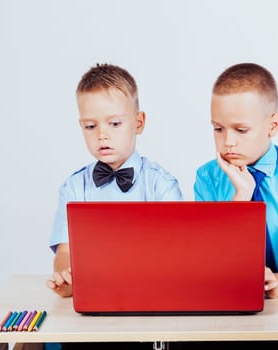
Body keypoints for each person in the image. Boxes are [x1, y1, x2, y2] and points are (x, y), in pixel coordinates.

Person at [187, 62, 278, 350]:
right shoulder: (207, 177)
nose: (228, 142)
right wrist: (241, 197)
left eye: (241, 130)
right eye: (218, 129)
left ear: (273, 125)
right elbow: (208, 257)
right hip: (227, 303)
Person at [46, 63, 183, 298]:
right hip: (94, 296)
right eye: (91, 126)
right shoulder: (74, 187)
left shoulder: (161, 184)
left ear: (138, 123)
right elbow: (64, 251)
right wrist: (66, 276)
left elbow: (179, 250)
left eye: (115, 123)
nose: (102, 135)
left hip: (152, 296)